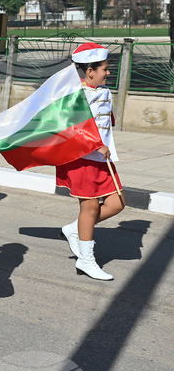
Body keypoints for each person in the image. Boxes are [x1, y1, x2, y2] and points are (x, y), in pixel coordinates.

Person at [57, 42, 125, 281]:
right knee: (90, 207)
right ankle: (86, 260)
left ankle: (74, 229)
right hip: (83, 159)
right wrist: (96, 144)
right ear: (90, 71)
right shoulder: (75, 95)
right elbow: (71, 129)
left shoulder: (103, 91)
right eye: (105, 69)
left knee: (117, 203)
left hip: (103, 158)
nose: (108, 72)